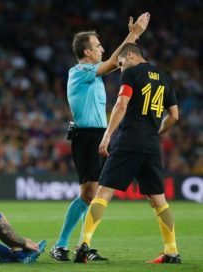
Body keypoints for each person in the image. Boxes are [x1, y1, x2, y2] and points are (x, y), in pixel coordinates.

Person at [50, 13, 150, 262]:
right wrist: (134, 34)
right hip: (86, 136)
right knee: (89, 194)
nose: (102, 48)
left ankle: (83, 245)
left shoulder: (92, 73)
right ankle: (62, 245)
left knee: (92, 194)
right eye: (97, 46)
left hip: (98, 135)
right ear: (86, 52)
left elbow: (116, 62)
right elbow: (115, 62)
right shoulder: (80, 71)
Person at [74, 43, 181, 264]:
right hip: (151, 144)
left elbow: (121, 104)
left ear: (130, 56)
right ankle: (172, 252)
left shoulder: (132, 73)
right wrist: (157, 132)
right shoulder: (164, 77)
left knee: (103, 193)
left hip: (129, 140)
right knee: (159, 200)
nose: (121, 69)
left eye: (121, 64)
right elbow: (174, 116)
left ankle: (83, 246)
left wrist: (107, 135)